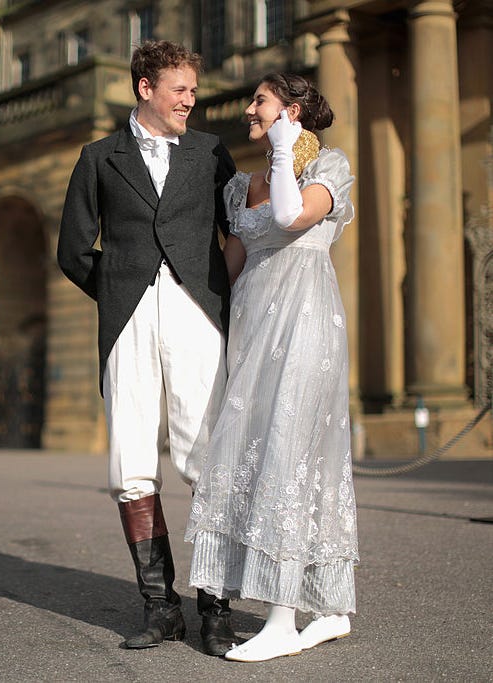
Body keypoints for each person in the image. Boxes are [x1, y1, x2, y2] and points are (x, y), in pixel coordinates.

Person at [57, 40, 238, 656]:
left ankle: (215, 607)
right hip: (128, 316)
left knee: (206, 454)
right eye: (179, 89)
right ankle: (161, 607)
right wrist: (119, 290)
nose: (190, 100)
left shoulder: (210, 152)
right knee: (130, 460)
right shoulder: (98, 157)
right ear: (146, 88)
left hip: (197, 313)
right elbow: (73, 250)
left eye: (193, 90)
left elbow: (237, 229)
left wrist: (218, 293)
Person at [185, 72, 359, 662]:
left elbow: (290, 217)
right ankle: (330, 609)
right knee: (255, 454)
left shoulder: (329, 167)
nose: (248, 109)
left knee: (289, 453)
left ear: (291, 110)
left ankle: (283, 621)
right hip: (253, 329)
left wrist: (285, 148)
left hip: (305, 323)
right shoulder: (242, 187)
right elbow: (230, 266)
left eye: (259, 101)